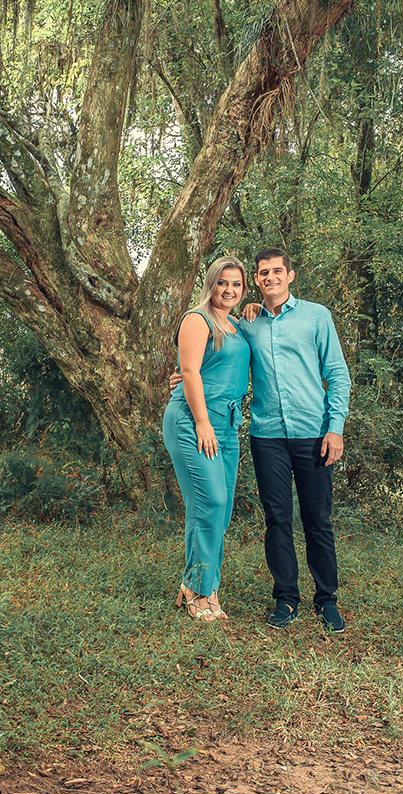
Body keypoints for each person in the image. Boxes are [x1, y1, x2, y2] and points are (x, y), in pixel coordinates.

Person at [170, 248, 351, 631]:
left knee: (317, 520)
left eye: (277, 271)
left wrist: (335, 427)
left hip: (311, 431)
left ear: (290, 275)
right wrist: (184, 380)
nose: (270, 277)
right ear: (258, 279)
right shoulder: (240, 322)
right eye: (262, 273)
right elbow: (197, 365)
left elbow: (337, 373)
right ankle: (284, 600)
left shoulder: (311, 317)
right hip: (262, 434)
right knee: (273, 519)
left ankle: (326, 600)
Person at [162, 256, 251, 622]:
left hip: (228, 423)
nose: (229, 290)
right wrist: (201, 421)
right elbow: (189, 371)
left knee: (219, 508)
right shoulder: (196, 319)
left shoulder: (236, 324)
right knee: (210, 502)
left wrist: (255, 310)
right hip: (194, 421)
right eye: (222, 283)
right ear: (211, 284)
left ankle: (198, 584)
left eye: (237, 285)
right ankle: (200, 591)